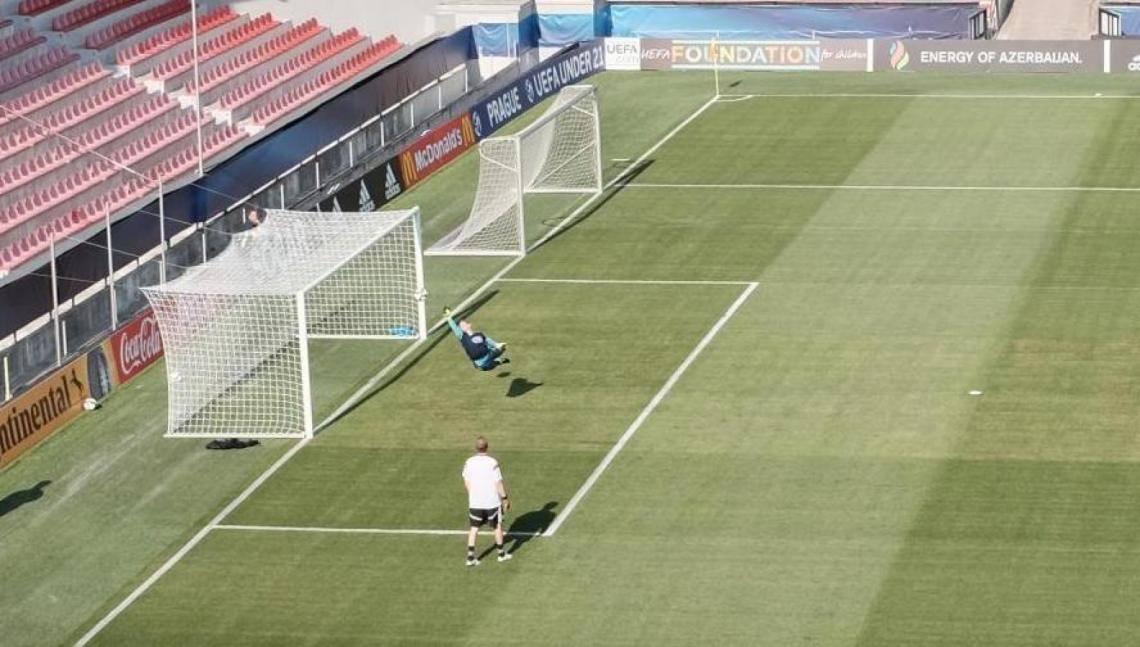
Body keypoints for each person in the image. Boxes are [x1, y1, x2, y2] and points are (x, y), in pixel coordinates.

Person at [462, 436, 512, 566]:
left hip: (475, 502)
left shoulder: (469, 462)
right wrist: (505, 498)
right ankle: (501, 554)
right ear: (487, 447)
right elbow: (498, 482)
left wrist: (473, 495)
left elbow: (467, 482)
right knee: (497, 527)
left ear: (476, 448)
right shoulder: (492, 462)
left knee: (474, 528)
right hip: (491, 502)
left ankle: (470, 557)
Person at [444, 307, 509, 371]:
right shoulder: (463, 337)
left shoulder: (479, 334)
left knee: (501, 348)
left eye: (463, 324)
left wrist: (496, 344)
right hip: (482, 365)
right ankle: (497, 361)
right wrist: (449, 318)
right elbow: (454, 328)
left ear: (469, 325)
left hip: (489, 356)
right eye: (461, 326)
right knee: (492, 359)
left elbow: (488, 341)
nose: (461, 326)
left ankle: (497, 360)